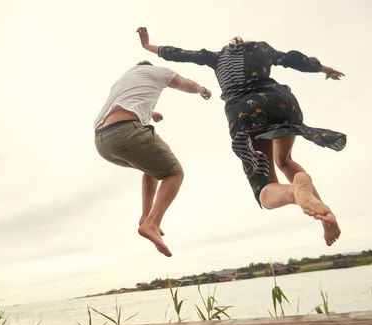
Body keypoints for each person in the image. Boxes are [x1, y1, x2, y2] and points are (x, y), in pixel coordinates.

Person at [136, 27, 346, 246]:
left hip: (245, 113)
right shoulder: (262, 48)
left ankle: (294, 191)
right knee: (285, 160)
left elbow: (179, 53)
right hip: (282, 102)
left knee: (264, 190)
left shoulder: (215, 57)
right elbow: (296, 59)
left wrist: (147, 46)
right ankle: (323, 216)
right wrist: (327, 70)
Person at [94, 61, 212, 257]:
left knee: (151, 170)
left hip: (102, 142)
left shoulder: (122, 82)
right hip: (125, 132)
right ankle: (152, 223)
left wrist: (151, 113)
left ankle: (146, 216)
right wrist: (202, 89)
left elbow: (124, 106)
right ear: (148, 67)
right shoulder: (155, 71)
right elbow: (184, 83)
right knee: (174, 173)